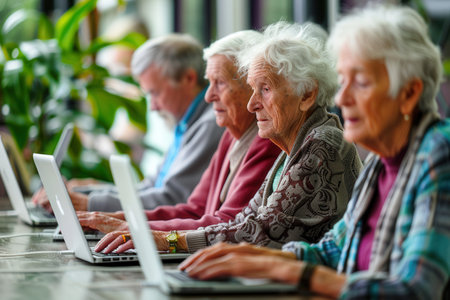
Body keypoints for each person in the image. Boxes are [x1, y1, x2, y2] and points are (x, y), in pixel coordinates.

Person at [179, 6, 450, 300]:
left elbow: (418, 292)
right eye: (343, 81)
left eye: (360, 83)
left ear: (409, 94)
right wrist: (262, 260)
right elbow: (334, 250)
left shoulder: (439, 156)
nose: (342, 97)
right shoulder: (382, 166)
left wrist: (294, 271)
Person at [92, 21, 362, 255]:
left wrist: (167, 240)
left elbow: (258, 233)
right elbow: (244, 220)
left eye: (265, 89)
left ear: (307, 95)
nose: (252, 104)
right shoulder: (292, 146)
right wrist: (143, 231)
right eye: (253, 90)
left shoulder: (322, 143)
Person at [76, 30, 281, 234]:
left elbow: (227, 222)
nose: (209, 96)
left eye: (220, 83)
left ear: (252, 86)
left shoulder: (261, 138)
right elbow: (194, 209)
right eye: (210, 83)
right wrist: (115, 220)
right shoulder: (230, 135)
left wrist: (134, 228)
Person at [32, 34, 225, 212]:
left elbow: (172, 198)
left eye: (155, 93)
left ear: (188, 78)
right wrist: (89, 191)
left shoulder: (209, 124)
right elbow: (152, 187)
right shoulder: (189, 122)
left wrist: (89, 203)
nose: (153, 107)